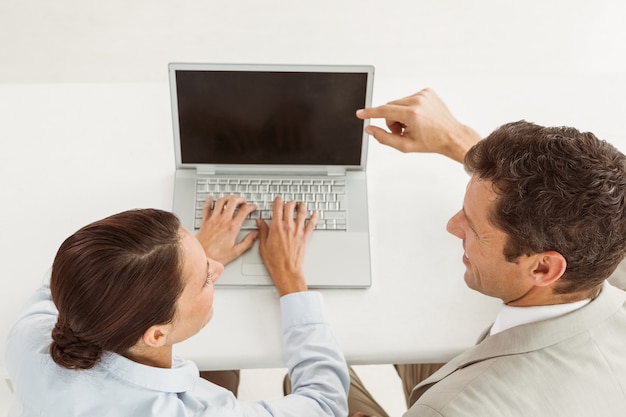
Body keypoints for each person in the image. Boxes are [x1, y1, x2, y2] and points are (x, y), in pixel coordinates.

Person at [349, 88, 626, 417]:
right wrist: (455, 137)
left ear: (542, 269)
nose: (452, 227)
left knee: (314, 375)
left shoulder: (450, 407)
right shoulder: (604, 239)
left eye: (474, 228)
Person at [5, 195, 349, 416]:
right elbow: (324, 403)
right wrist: (291, 281)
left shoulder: (29, 335)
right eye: (205, 277)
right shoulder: (200, 411)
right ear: (156, 334)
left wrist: (171, 260)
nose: (217, 267)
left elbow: (77, 274)